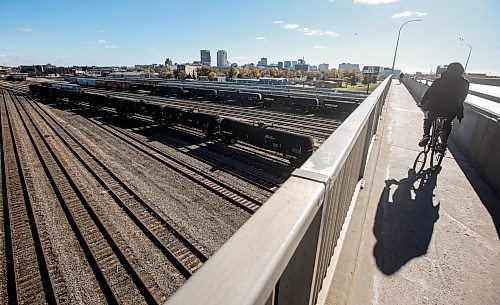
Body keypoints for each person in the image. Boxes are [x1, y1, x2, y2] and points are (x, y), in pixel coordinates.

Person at [418, 62, 469, 147]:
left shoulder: (439, 81)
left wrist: (422, 102)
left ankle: (426, 136)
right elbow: (462, 97)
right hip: (453, 108)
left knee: (429, 118)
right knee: (448, 122)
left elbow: (429, 93)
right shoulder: (465, 83)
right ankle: (444, 142)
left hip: (436, 106)